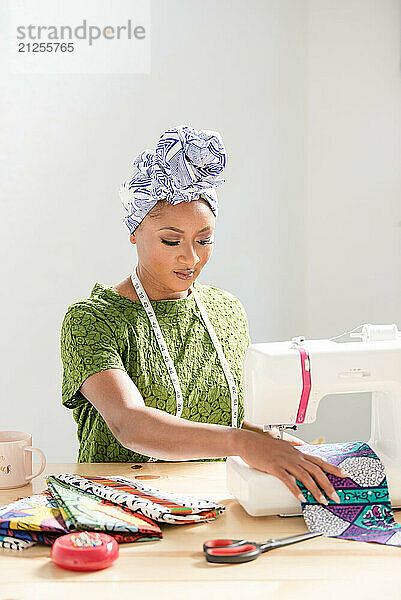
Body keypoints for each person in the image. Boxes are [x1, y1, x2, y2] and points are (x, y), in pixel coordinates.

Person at [60, 125, 343, 505]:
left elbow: (222, 416)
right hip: (119, 507)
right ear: (134, 231)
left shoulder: (226, 310)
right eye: (171, 241)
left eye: (204, 240)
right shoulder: (93, 320)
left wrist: (277, 446)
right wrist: (243, 443)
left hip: (213, 500)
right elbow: (129, 424)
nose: (190, 258)